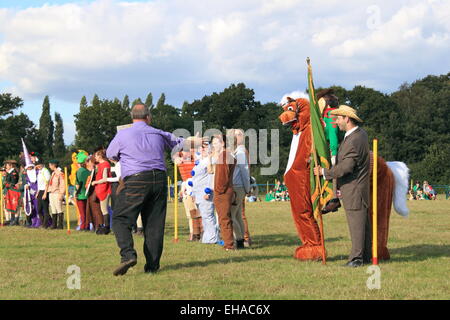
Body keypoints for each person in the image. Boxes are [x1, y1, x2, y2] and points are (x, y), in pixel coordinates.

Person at [106, 104, 202, 276]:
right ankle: (152, 267)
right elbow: (180, 143)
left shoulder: (123, 134)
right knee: (154, 224)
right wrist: (196, 141)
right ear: (148, 117)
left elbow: (111, 154)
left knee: (120, 219)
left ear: (131, 117)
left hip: (135, 179)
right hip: (159, 179)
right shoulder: (157, 132)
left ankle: (128, 255)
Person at [314, 105, 371, 267]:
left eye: (338, 118)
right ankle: (365, 256)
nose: (336, 122)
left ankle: (356, 259)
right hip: (355, 189)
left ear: (347, 118)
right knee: (361, 224)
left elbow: (346, 167)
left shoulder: (354, 139)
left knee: (356, 225)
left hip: (354, 190)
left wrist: (324, 172)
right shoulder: (358, 135)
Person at [191, 141, 220, 244]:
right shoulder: (200, 160)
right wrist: (192, 193)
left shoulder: (210, 160)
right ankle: (208, 238)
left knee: (208, 216)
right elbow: (195, 179)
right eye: (201, 147)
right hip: (198, 193)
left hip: (205, 193)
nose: (202, 149)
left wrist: (208, 191)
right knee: (204, 216)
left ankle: (212, 238)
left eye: (204, 147)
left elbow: (211, 176)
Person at [211, 135, 236, 251]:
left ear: (223, 143)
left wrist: (219, 191)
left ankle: (229, 245)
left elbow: (223, 176)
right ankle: (229, 242)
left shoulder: (224, 155)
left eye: (216, 143)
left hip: (223, 192)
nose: (214, 145)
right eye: (213, 143)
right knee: (226, 218)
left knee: (224, 219)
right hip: (227, 190)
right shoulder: (228, 155)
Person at [228, 129, 250, 249]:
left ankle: (240, 240)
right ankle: (242, 240)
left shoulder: (240, 152)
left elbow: (244, 171)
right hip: (239, 186)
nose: (235, 137)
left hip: (237, 187)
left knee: (232, 215)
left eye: (238, 135)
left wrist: (247, 188)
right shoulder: (237, 151)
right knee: (237, 215)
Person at [91, 148, 112, 235]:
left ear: (100, 156)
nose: (95, 157)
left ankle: (107, 227)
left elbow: (104, 179)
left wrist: (95, 182)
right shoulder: (99, 165)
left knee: (104, 209)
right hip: (100, 189)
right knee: (103, 209)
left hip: (104, 189)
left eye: (96, 155)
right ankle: (105, 226)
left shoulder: (105, 164)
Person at [48, 160, 66, 229]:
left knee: (59, 208)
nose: (49, 167)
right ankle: (54, 224)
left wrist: (61, 194)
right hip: (51, 193)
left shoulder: (60, 173)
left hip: (57, 193)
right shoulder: (53, 173)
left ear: (54, 165)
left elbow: (62, 184)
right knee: (53, 209)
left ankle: (60, 225)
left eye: (50, 165)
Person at [75, 152, 90, 231]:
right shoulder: (88, 171)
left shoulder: (79, 171)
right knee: (87, 212)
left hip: (80, 194)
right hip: (87, 194)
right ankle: (87, 225)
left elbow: (78, 184)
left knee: (82, 213)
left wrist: (76, 193)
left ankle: (83, 226)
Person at [3, 160, 21, 226]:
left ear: (10, 165)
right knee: (10, 205)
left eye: (7, 165)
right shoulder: (9, 172)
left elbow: (13, 182)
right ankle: (12, 220)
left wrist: (7, 184)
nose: (6, 167)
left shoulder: (14, 172)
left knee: (15, 205)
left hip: (14, 191)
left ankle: (16, 220)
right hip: (9, 191)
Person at [35, 159, 51, 228]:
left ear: (42, 164)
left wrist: (45, 193)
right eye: (37, 164)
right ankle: (43, 222)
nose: (38, 166)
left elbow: (47, 183)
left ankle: (45, 224)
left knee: (45, 209)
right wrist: (37, 192)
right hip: (40, 191)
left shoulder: (46, 171)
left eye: (39, 164)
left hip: (45, 191)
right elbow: (39, 183)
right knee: (39, 209)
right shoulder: (39, 171)